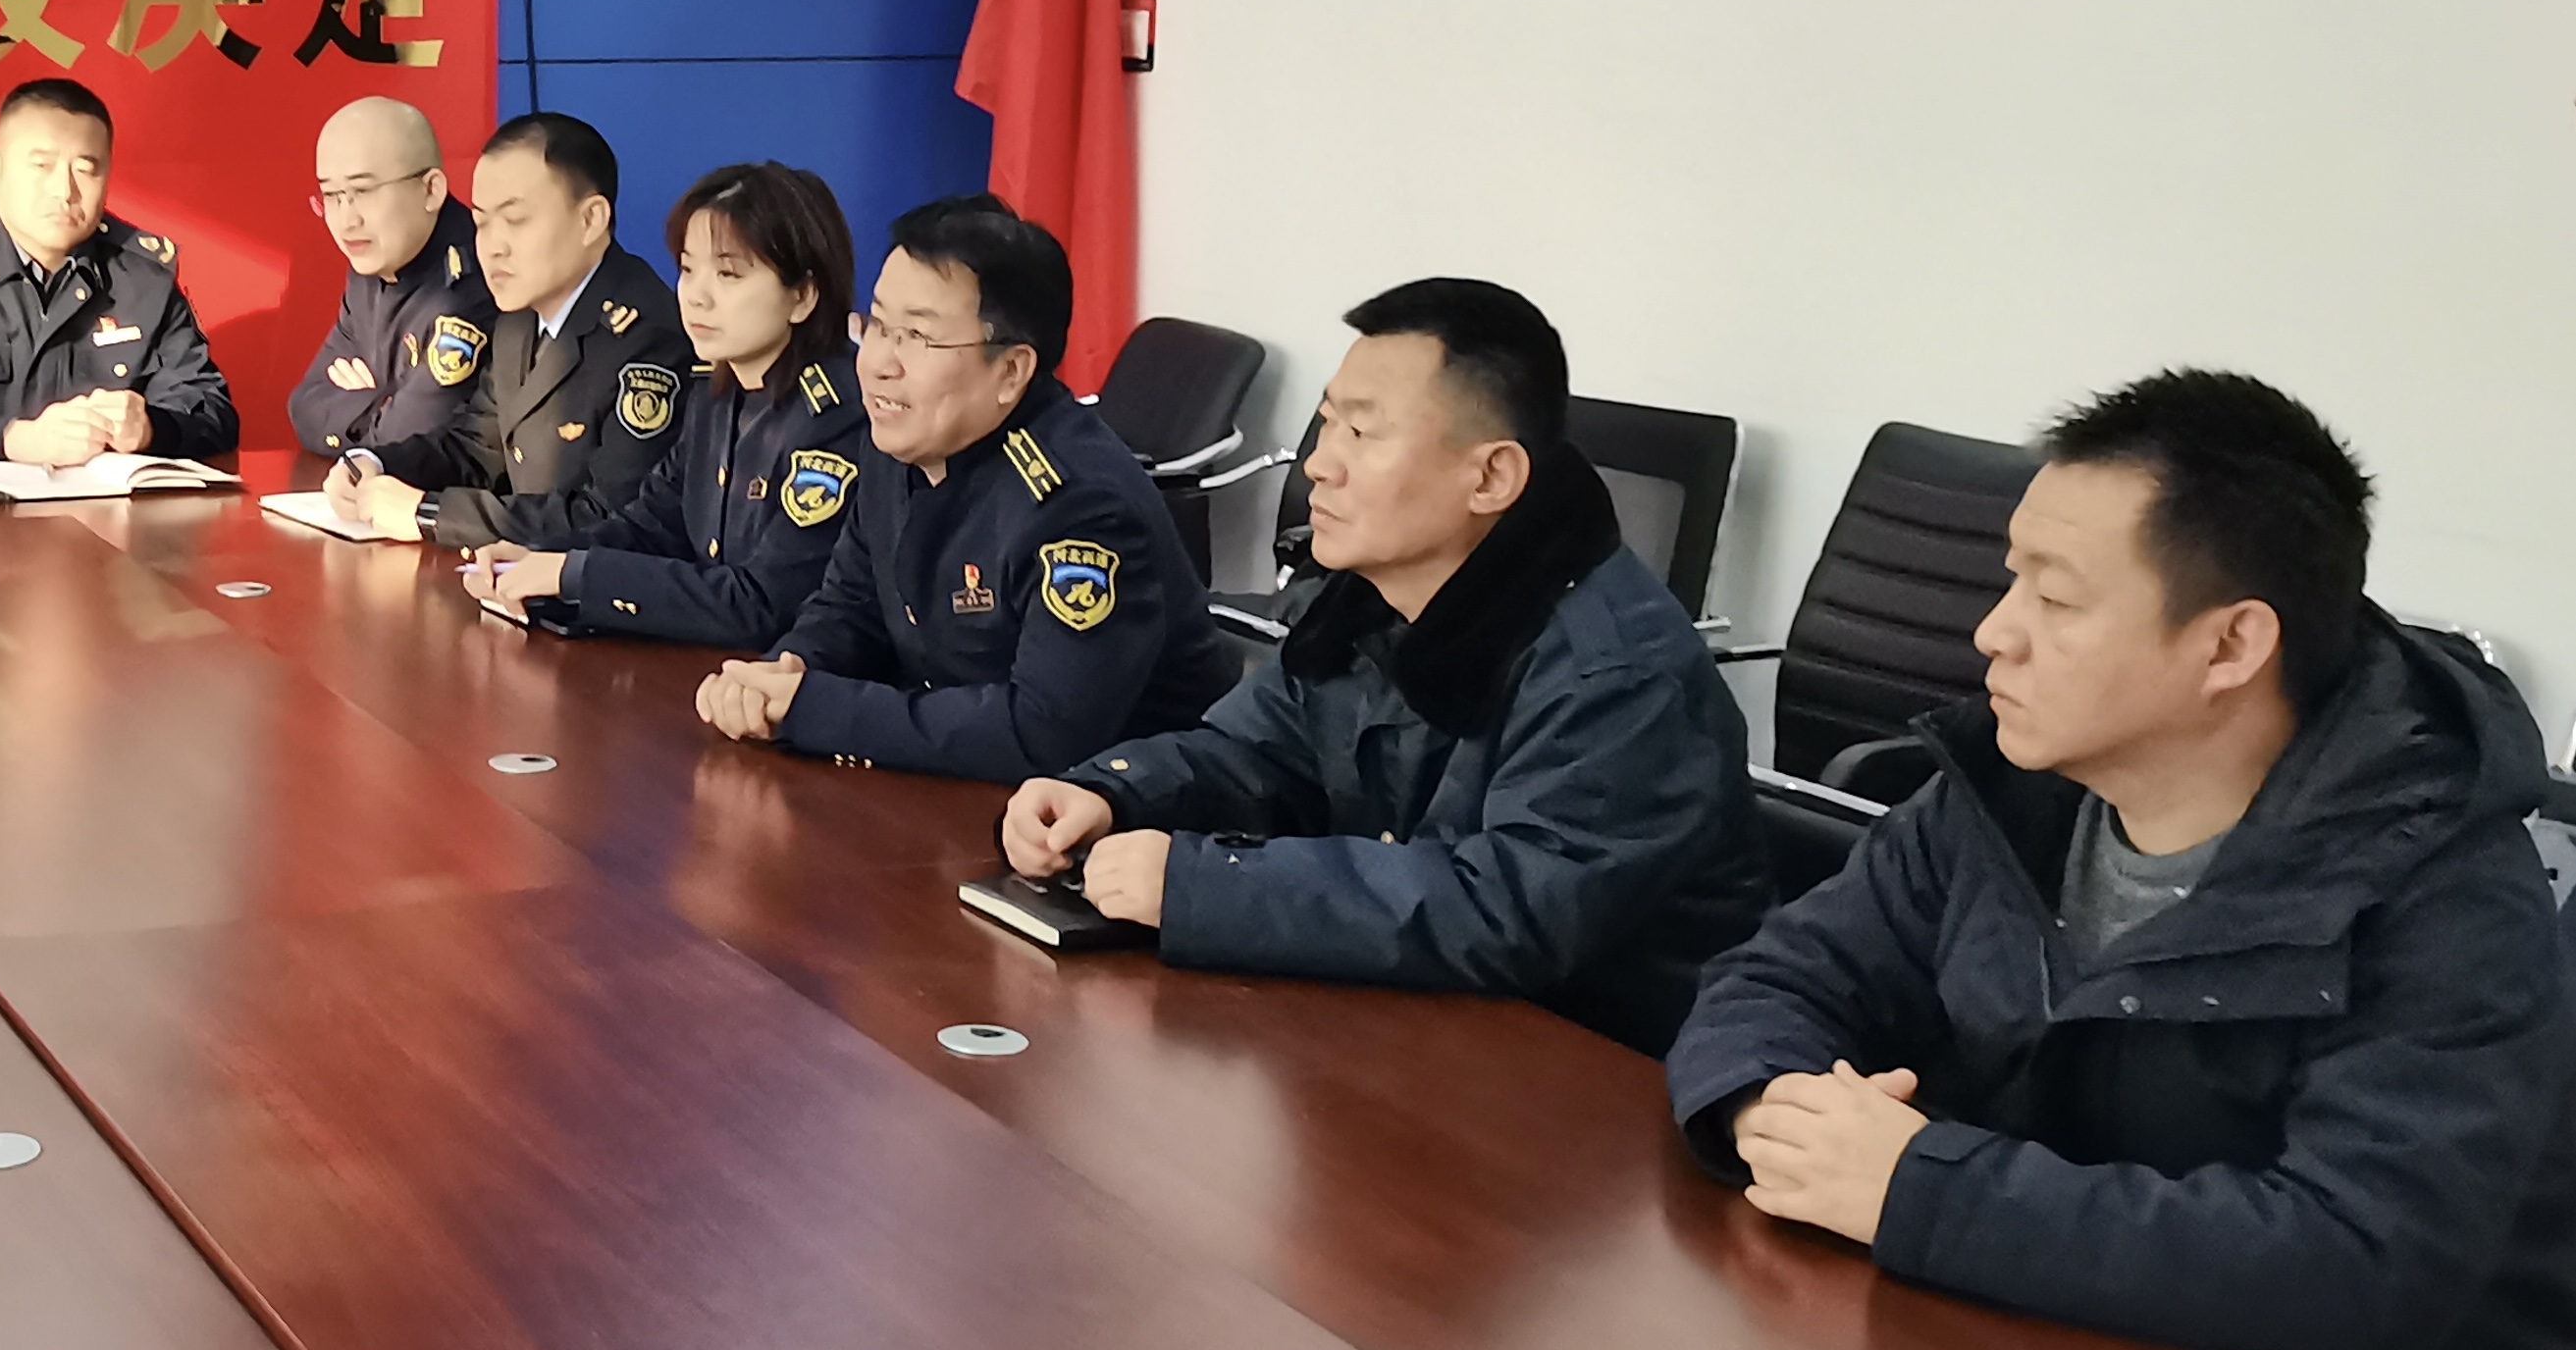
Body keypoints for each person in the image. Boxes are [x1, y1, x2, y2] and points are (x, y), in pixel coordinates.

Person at [1671, 370, 2576, 1350]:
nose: (1993, 633)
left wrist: (1921, 1190)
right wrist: (1771, 1107)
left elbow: (2357, 1263)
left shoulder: (2445, 895)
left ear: (2228, 647)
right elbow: (1773, 978)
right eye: (2010, 581)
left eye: (2054, 602)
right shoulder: (2007, 792)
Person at [997, 280, 1766, 1052]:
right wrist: (1112, 792)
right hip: (1407, 1029)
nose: (1318, 464)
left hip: (1594, 1071)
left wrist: (1203, 884)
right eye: (1328, 421)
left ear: (1490, 477)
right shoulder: (1367, 597)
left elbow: (1504, 913)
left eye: (1362, 433)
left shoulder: (1620, 675)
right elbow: (1255, 756)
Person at [695, 194, 1234, 781]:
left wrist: (811, 708)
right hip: (953, 781)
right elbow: (852, 606)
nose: (878, 364)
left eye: (916, 337)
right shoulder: (899, 440)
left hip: (1119, 812)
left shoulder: (1081, 505)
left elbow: (1042, 733)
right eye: (877, 326)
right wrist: (781, 674)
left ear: (1011, 371)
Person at [459, 159, 869, 650]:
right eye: (688, 270)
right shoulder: (717, 392)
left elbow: (761, 605)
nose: (696, 296)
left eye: (728, 274)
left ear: (802, 296)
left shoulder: (836, 417)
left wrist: (573, 574)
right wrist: (531, 558)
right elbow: (650, 525)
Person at [325, 112, 691, 546]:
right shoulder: (521, 314)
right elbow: (476, 447)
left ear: (591, 220)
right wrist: (372, 464)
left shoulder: (647, 337)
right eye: (481, 223)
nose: (492, 247)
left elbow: (610, 518)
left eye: (515, 220)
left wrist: (430, 514)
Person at [0, 77, 239, 467]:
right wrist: (13, 440)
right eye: (41, 166)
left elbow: (213, 413)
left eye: (85, 169)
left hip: (107, 503)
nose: (64, 191)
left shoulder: (142, 275)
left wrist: (151, 428)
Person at [285, 95, 480, 452]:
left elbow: (409, 442)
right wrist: (383, 405)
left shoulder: (471, 287)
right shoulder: (371, 268)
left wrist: (364, 407)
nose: (347, 220)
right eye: (331, 195)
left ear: (431, 190)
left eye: (363, 191)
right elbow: (305, 406)